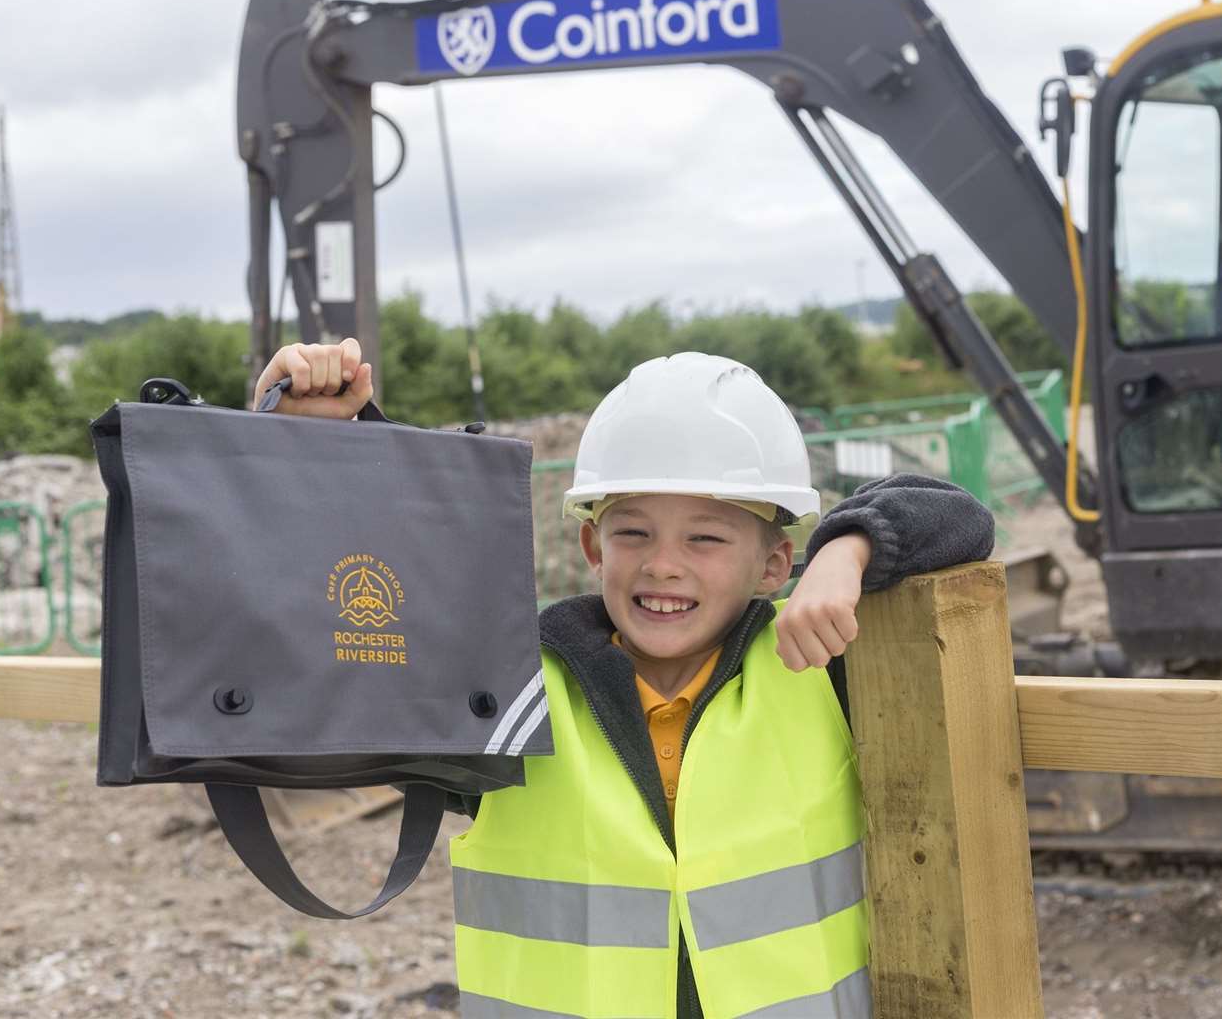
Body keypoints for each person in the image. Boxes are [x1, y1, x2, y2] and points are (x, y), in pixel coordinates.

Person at [254, 340, 994, 1018]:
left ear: (774, 565)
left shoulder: (811, 670)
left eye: (706, 537)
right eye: (632, 531)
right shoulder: (513, 693)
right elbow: (357, 622)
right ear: (592, 547)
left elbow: (957, 516)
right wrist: (305, 447)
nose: (663, 563)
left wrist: (847, 548)